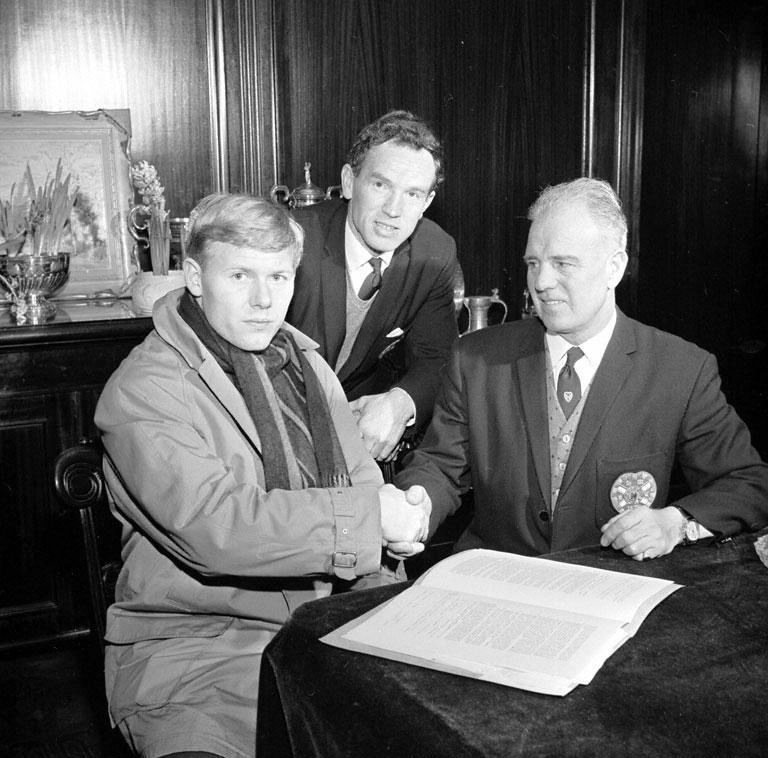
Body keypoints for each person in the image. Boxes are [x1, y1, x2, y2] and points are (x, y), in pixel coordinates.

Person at [94, 194, 428, 758]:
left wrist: (398, 520)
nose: (263, 300)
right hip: (201, 650)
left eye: (279, 276)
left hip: (328, 623)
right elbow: (219, 530)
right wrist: (370, 521)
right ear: (196, 277)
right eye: (240, 275)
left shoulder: (304, 361)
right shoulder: (143, 389)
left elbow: (360, 479)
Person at [394, 177, 768, 562]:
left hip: (615, 590)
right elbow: (440, 467)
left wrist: (676, 522)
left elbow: (750, 483)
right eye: (533, 263)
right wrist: (415, 505)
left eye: (563, 264)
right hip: (499, 583)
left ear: (614, 268)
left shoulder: (681, 370)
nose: (541, 282)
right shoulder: (476, 358)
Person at [286, 110, 459, 463]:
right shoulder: (294, 242)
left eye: (413, 194)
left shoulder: (434, 253)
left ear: (427, 202)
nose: (394, 210)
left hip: (359, 440)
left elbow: (435, 358)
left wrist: (400, 403)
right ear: (349, 182)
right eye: (380, 185)